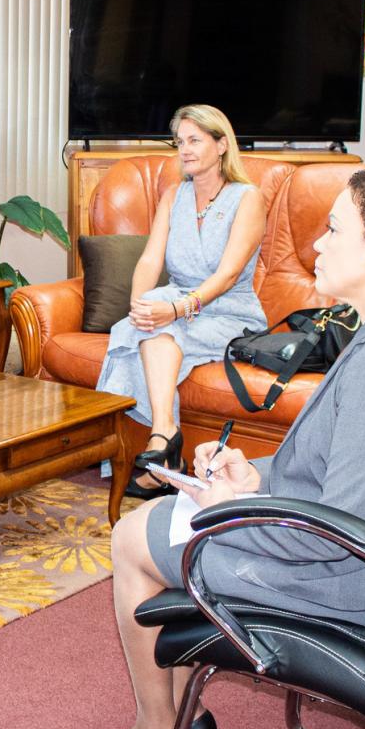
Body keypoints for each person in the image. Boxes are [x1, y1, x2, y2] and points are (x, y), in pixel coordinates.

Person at [70, 167, 365, 729]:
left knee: (131, 538)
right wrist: (255, 473)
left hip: (338, 578)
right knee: (149, 522)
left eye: (334, 229)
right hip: (326, 533)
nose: (317, 246)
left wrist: (232, 508)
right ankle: (181, 721)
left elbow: (340, 534)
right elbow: (342, 466)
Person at [93, 105, 268, 499]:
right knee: (137, 328)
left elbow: (226, 276)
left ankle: (163, 453)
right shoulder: (175, 195)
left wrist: (173, 310)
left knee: (161, 327)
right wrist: (140, 306)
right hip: (176, 299)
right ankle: (165, 438)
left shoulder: (248, 198)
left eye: (194, 140)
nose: (184, 150)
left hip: (228, 308)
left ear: (221, 144)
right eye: (179, 142)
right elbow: (151, 259)